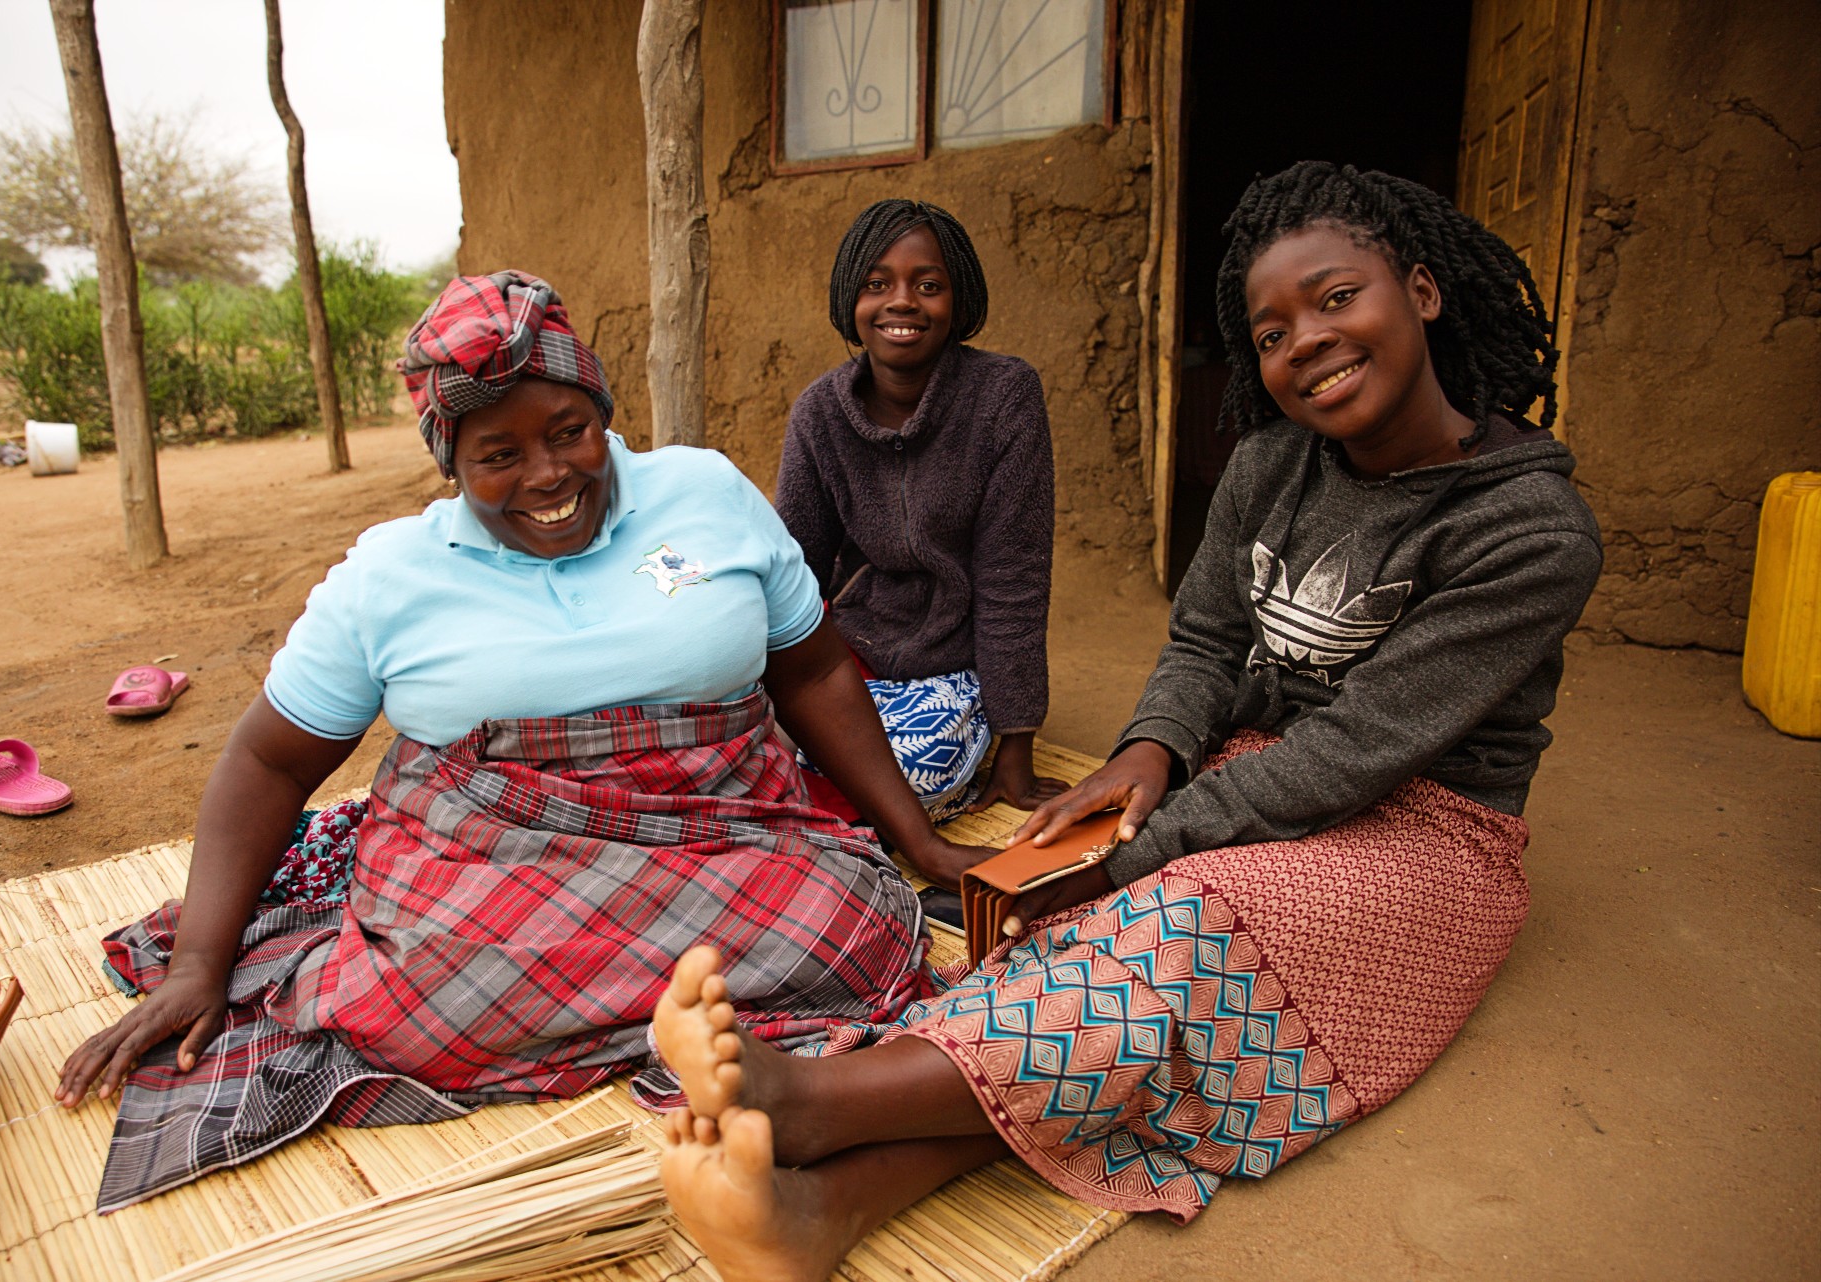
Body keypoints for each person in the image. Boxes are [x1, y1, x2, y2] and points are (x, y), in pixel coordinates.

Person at [647, 162, 1604, 1280]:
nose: (1308, 342)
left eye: (1338, 299)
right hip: (1266, 770)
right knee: (1066, 933)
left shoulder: (1531, 530)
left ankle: (809, 1102)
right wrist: (1147, 756)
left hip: (1429, 836)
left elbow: (1356, 751)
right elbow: (1204, 643)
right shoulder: (1267, 466)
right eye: (1273, 329)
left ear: (1424, 293)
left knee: (1181, 919)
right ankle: (827, 1210)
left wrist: (1153, 843)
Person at [53, 271, 988, 1211]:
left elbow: (815, 670)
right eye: (498, 454)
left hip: (724, 839)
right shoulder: (390, 577)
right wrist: (198, 969)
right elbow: (268, 760)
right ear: (448, 462)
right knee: (415, 1011)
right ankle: (691, 1035)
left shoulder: (703, 494)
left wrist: (920, 842)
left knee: (858, 934)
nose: (547, 476)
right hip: (495, 865)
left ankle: (732, 1058)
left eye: (569, 433)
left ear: (601, 411)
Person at [775, 199, 1065, 821]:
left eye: (928, 285)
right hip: (851, 646)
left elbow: (1014, 579)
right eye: (877, 284)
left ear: (959, 303)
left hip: (953, 662)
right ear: (849, 303)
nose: (902, 301)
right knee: (735, 731)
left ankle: (814, 804)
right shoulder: (820, 413)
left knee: (916, 769)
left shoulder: (1004, 398)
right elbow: (793, 570)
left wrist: (1016, 746)